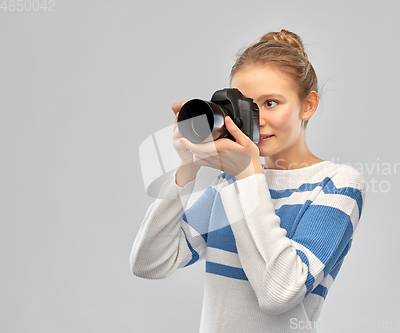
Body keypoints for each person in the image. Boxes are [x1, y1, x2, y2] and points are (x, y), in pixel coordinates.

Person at [130, 29, 367, 333]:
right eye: (245, 107)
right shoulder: (229, 184)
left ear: (307, 105)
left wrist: (247, 173)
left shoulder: (338, 184)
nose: (257, 121)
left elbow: (278, 294)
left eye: (271, 103)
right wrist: (186, 169)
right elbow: (149, 263)